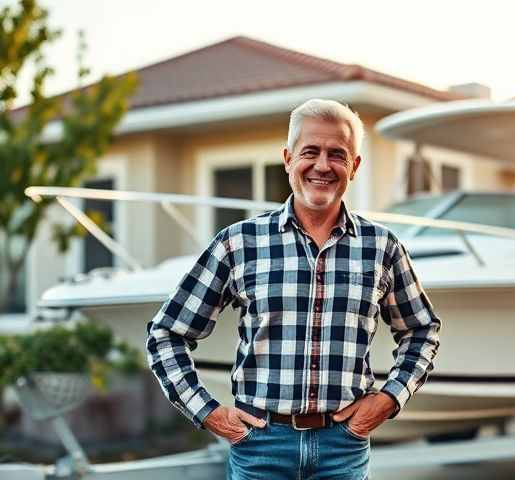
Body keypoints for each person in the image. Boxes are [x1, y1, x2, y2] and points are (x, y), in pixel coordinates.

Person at [145, 98, 441, 479]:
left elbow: (422, 330)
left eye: (337, 154)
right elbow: (165, 333)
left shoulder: (382, 248)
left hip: (343, 448)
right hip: (260, 447)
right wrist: (209, 413)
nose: (322, 165)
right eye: (310, 152)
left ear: (354, 166)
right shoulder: (239, 243)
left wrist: (389, 398)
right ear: (287, 159)